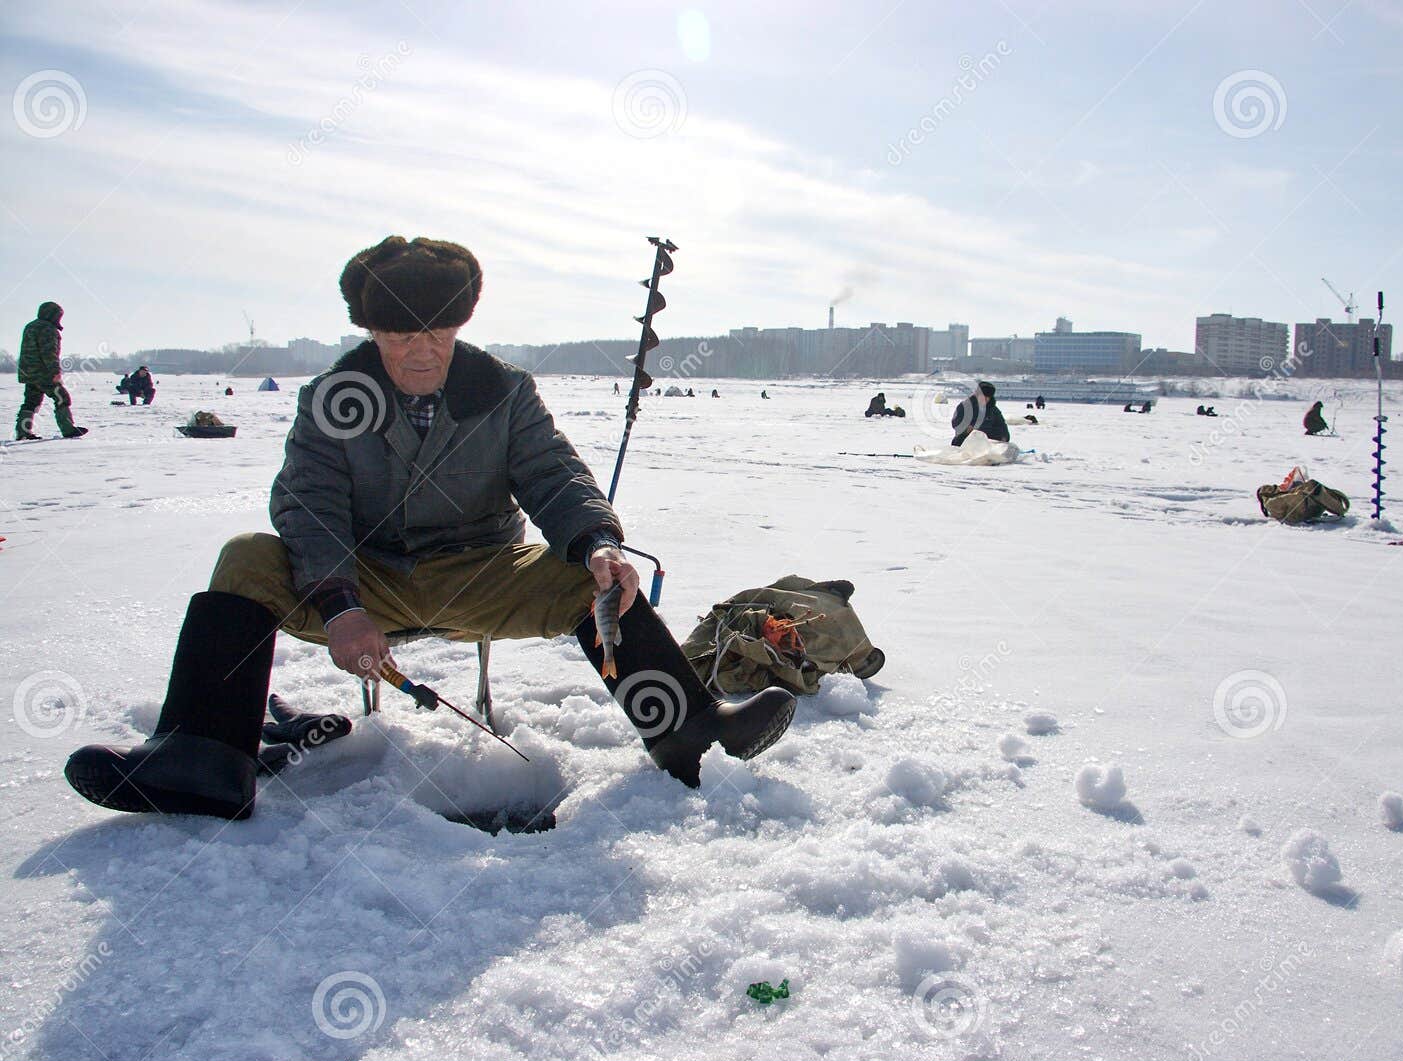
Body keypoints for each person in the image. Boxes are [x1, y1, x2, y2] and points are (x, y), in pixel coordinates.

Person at [62, 235, 797, 822]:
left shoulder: (504, 391)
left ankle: (692, 734)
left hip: (480, 574)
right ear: (370, 329)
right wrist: (342, 604)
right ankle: (205, 760)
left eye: (437, 331)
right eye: (398, 332)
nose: (420, 350)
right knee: (246, 557)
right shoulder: (330, 397)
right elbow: (306, 503)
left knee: (593, 574)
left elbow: (553, 473)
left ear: (460, 325)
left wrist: (598, 540)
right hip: (363, 581)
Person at [14, 301, 86, 440]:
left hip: (28, 373)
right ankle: (68, 429)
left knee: (31, 401)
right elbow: (49, 353)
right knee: (62, 397)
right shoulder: (48, 329)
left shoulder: (30, 326)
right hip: (43, 373)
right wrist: (55, 372)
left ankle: (23, 432)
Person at [951, 381, 1009, 447]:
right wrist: (966, 429)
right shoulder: (965, 406)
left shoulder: (993, 410)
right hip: (966, 440)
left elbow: (1002, 426)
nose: (985, 399)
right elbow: (956, 422)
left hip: (987, 442)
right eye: (983, 396)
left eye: (987, 397)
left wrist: (1003, 437)